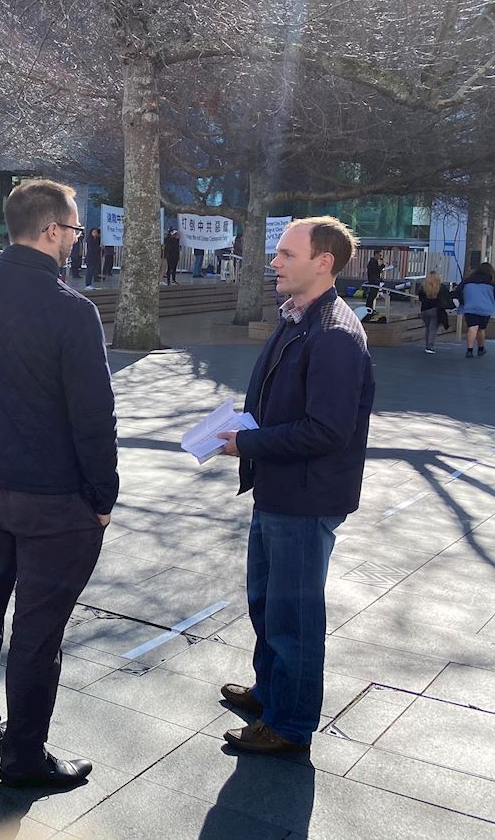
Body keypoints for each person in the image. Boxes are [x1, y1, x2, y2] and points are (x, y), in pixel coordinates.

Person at [0, 179, 117, 789]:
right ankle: (24, 757)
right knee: (38, 631)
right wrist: (103, 497)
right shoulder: (71, 310)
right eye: (73, 231)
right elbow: (93, 415)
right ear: (49, 230)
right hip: (54, 498)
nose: (74, 242)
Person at [214, 216, 375, 756]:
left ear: (323, 261)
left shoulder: (333, 334)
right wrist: (243, 426)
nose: (274, 262)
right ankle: (271, 693)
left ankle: (289, 724)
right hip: (280, 490)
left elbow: (328, 430)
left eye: (286, 253)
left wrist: (249, 444)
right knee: (267, 603)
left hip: (305, 499)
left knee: (295, 617)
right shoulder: (298, 319)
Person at [454, 261, 494, 358]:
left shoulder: (468, 280)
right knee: (481, 329)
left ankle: (469, 350)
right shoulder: (491, 281)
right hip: (485, 308)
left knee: (472, 328)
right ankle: (481, 348)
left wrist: (463, 302)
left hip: (470, 307)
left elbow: (458, 291)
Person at [417, 271, 449, 355]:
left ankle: (427, 344)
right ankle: (429, 346)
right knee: (433, 329)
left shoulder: (423, 287)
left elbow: (420, 297)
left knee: (428, 328)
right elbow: (446, 298)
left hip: (424, 310)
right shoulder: (441, 287)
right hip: (435, 309)